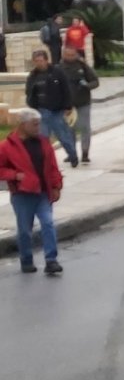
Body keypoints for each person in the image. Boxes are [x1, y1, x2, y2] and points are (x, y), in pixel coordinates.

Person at [0, 109, 64, 275]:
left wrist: (57, 185)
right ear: (23, 125)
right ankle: (26, 260)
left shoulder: (44, 142)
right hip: (22, 195)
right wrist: (15, 175)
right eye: (34, 124)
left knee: (48, 223)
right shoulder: (7, 146)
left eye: (39, 124)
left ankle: (51, 260)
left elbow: (52, 167)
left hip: (43, 193)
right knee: (24, 230)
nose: (38, 127)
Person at [25, 49, 79, 169]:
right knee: (43, 137)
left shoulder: (57, 72)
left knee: (63, 136)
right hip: (41, 111)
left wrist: (68, 106)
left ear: (46, 60)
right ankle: (45, 161)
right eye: (37, 61)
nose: (39, 63)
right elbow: (29, 92)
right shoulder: (33, 76)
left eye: (41, 60)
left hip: (56, 110)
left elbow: (66, 89)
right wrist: (31, 105)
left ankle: (72, 155)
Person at [57, 46, 99, 165]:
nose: (70, 58)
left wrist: (87, 86)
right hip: (67, 105)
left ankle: (85, 153)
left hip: (83, 102)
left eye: (73, 55)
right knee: (69, 129)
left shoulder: (83, 67)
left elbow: (95, 81)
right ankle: (72, 153)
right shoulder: (59, 68)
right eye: (68, 55)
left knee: (85, 128)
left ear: (76, 55)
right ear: (63, 55)